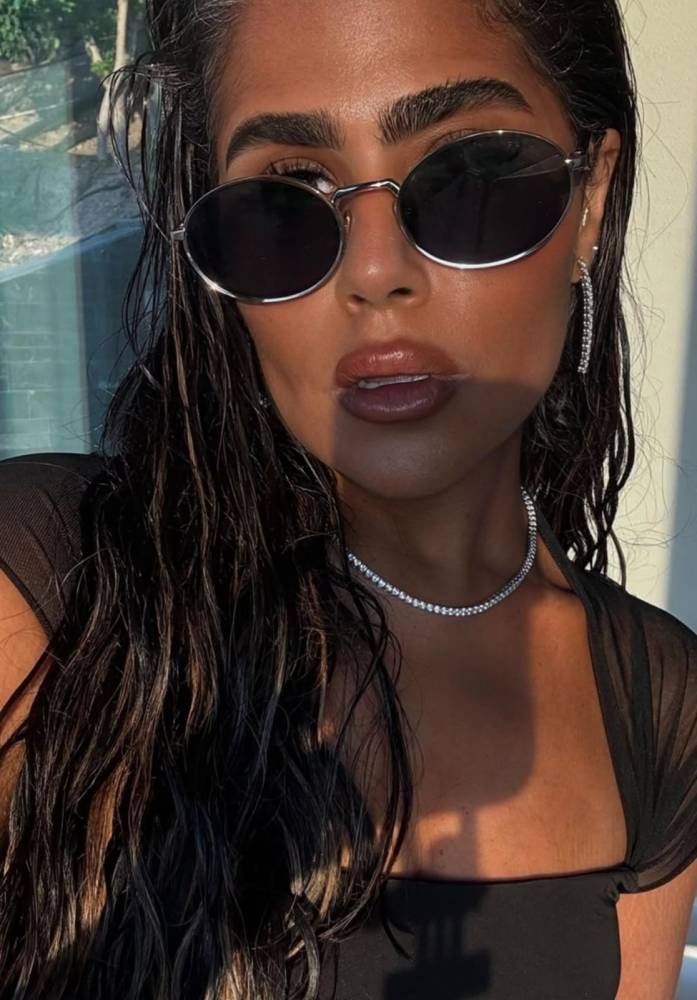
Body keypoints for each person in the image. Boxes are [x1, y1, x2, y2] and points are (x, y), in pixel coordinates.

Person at [1, 0, 696, 997]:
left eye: (466, 174)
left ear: (589, 199)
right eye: (287, 192)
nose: (373, 273)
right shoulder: (51, 592)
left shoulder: (657, 703)